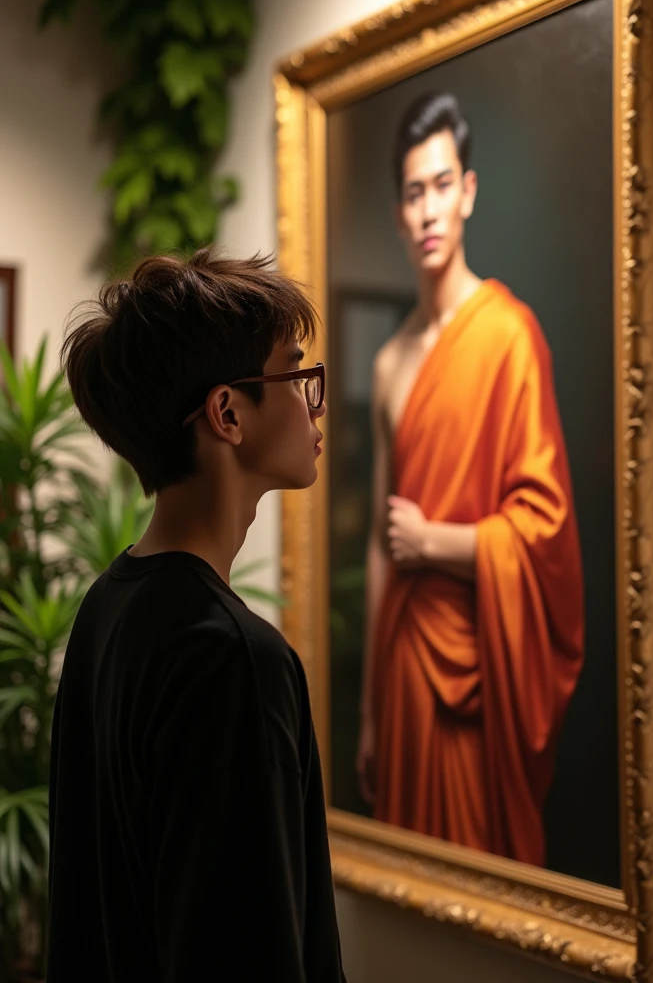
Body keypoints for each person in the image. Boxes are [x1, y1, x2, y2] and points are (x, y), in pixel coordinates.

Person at [48, 249, 345, 982]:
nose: (317, 401)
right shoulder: (235, 659)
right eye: (294, 371)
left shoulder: (109, 607)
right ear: (227, 413)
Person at [356, 92, 584, 866]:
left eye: (442, 186)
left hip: (483, 655)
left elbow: (544, 526)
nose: (428, 210)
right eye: (414, 192)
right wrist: (368, 715)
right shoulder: (388, 364)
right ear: (398, 212)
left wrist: (436, 541)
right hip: (405, 667)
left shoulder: (510, 336)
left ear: (471, 193)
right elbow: (381, 546)